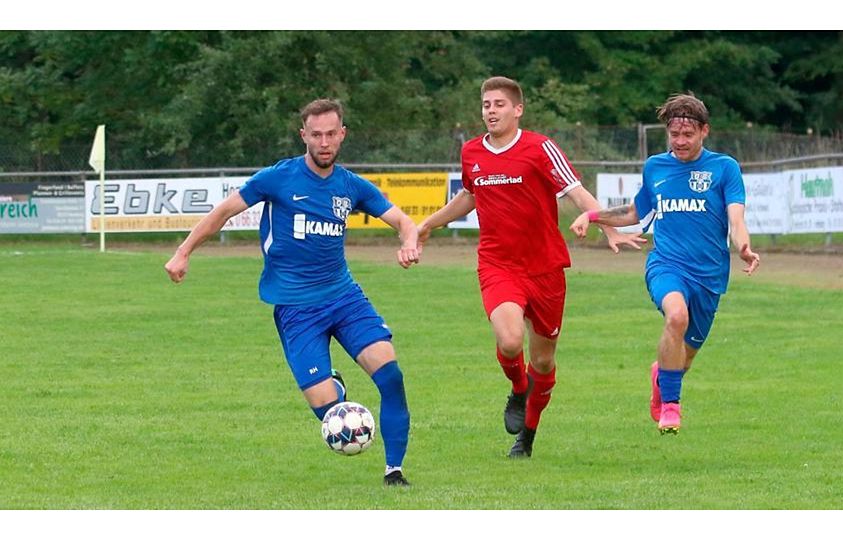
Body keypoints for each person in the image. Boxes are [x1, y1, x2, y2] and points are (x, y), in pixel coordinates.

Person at [164, 98, 418, 486]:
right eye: (316, 135)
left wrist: (409, 241)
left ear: (342, 134)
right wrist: (183, 252)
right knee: (328, 411)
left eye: (331, 134)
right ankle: (334, 387)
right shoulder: (278, 178)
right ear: (303, 136)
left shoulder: (350, 186)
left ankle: (394, 471)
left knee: (391, 377)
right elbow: (223, 212)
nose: (324, 142)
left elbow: (402, 221)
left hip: (345, 298)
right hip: (296, 309)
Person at [417, 76, 645, 458]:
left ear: (518, 109)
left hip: (545, 269)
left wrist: (608, 227)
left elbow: (576, 192)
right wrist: (429, 223)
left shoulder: (540, 148)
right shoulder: (472, 152)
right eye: (486, 104)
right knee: (509, 341)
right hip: (498, 264)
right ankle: (518, 389)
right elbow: (470, 196)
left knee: (543, 360)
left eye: (499, 104)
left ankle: (527, 437)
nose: (491, 111)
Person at [570, 92, 760, 435]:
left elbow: (736, 218)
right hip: (666, 265)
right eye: (674, 134)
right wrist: (592, 215)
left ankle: (662, 376)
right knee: (676, 316)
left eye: (688, 134)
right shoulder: (656, 167)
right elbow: (634, 212)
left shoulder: (724, 168)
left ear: (704, 131)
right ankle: (671, 407)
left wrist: (743, 246)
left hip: (710, 276)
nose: (680, 141)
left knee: (681, 361)